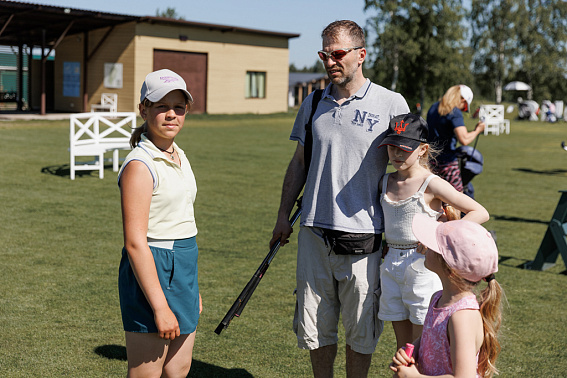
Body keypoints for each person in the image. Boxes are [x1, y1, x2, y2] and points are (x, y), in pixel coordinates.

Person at [269, 20, 410, 377]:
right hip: (313, 234)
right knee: (315, 330)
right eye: (324, 54)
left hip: (364, 240)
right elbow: (300, 162)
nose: (330, 61)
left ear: (361, 55)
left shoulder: (391, 103)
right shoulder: (313, 101)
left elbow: (413, 167)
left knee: (361, 333)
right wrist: (283, 215)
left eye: (338, 53)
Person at [377, 113, 489, 353]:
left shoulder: (431, 183)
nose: (396, 154)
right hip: (390, 266)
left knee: (422, 346)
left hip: (422, 268)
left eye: (404, 149)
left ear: (422, 149)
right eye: (392, 147)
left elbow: (479, 212)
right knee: (402, 348)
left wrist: (439, 235)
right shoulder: (383, 181)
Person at [117, 69, 201, 377]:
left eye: (178, 107)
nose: (171, 114)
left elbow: (181, 223)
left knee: (177, 371)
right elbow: (135, 243)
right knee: (146, 375)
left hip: (183, 265)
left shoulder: (179, 155)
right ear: (143, 110)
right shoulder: (140, 165)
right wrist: (160, 307)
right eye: (161, 106)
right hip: (154, 267)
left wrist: (191, 287)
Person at [390, 214, 503, 378]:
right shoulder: (437, 298)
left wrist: (414, 377)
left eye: (434, 245)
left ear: (450, 268)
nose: (426, 246)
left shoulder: (462, 316)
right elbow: (430, 337)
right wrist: (412, 352)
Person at [426, 85, 485, 192]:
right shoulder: (454, 111)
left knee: (434, 199)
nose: (462, 110)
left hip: (430, 162)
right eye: (464, 107)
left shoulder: (433, 107)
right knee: (457, 200)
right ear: (462, 99)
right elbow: (464, 139)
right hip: (447, 163)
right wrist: (478, 130)